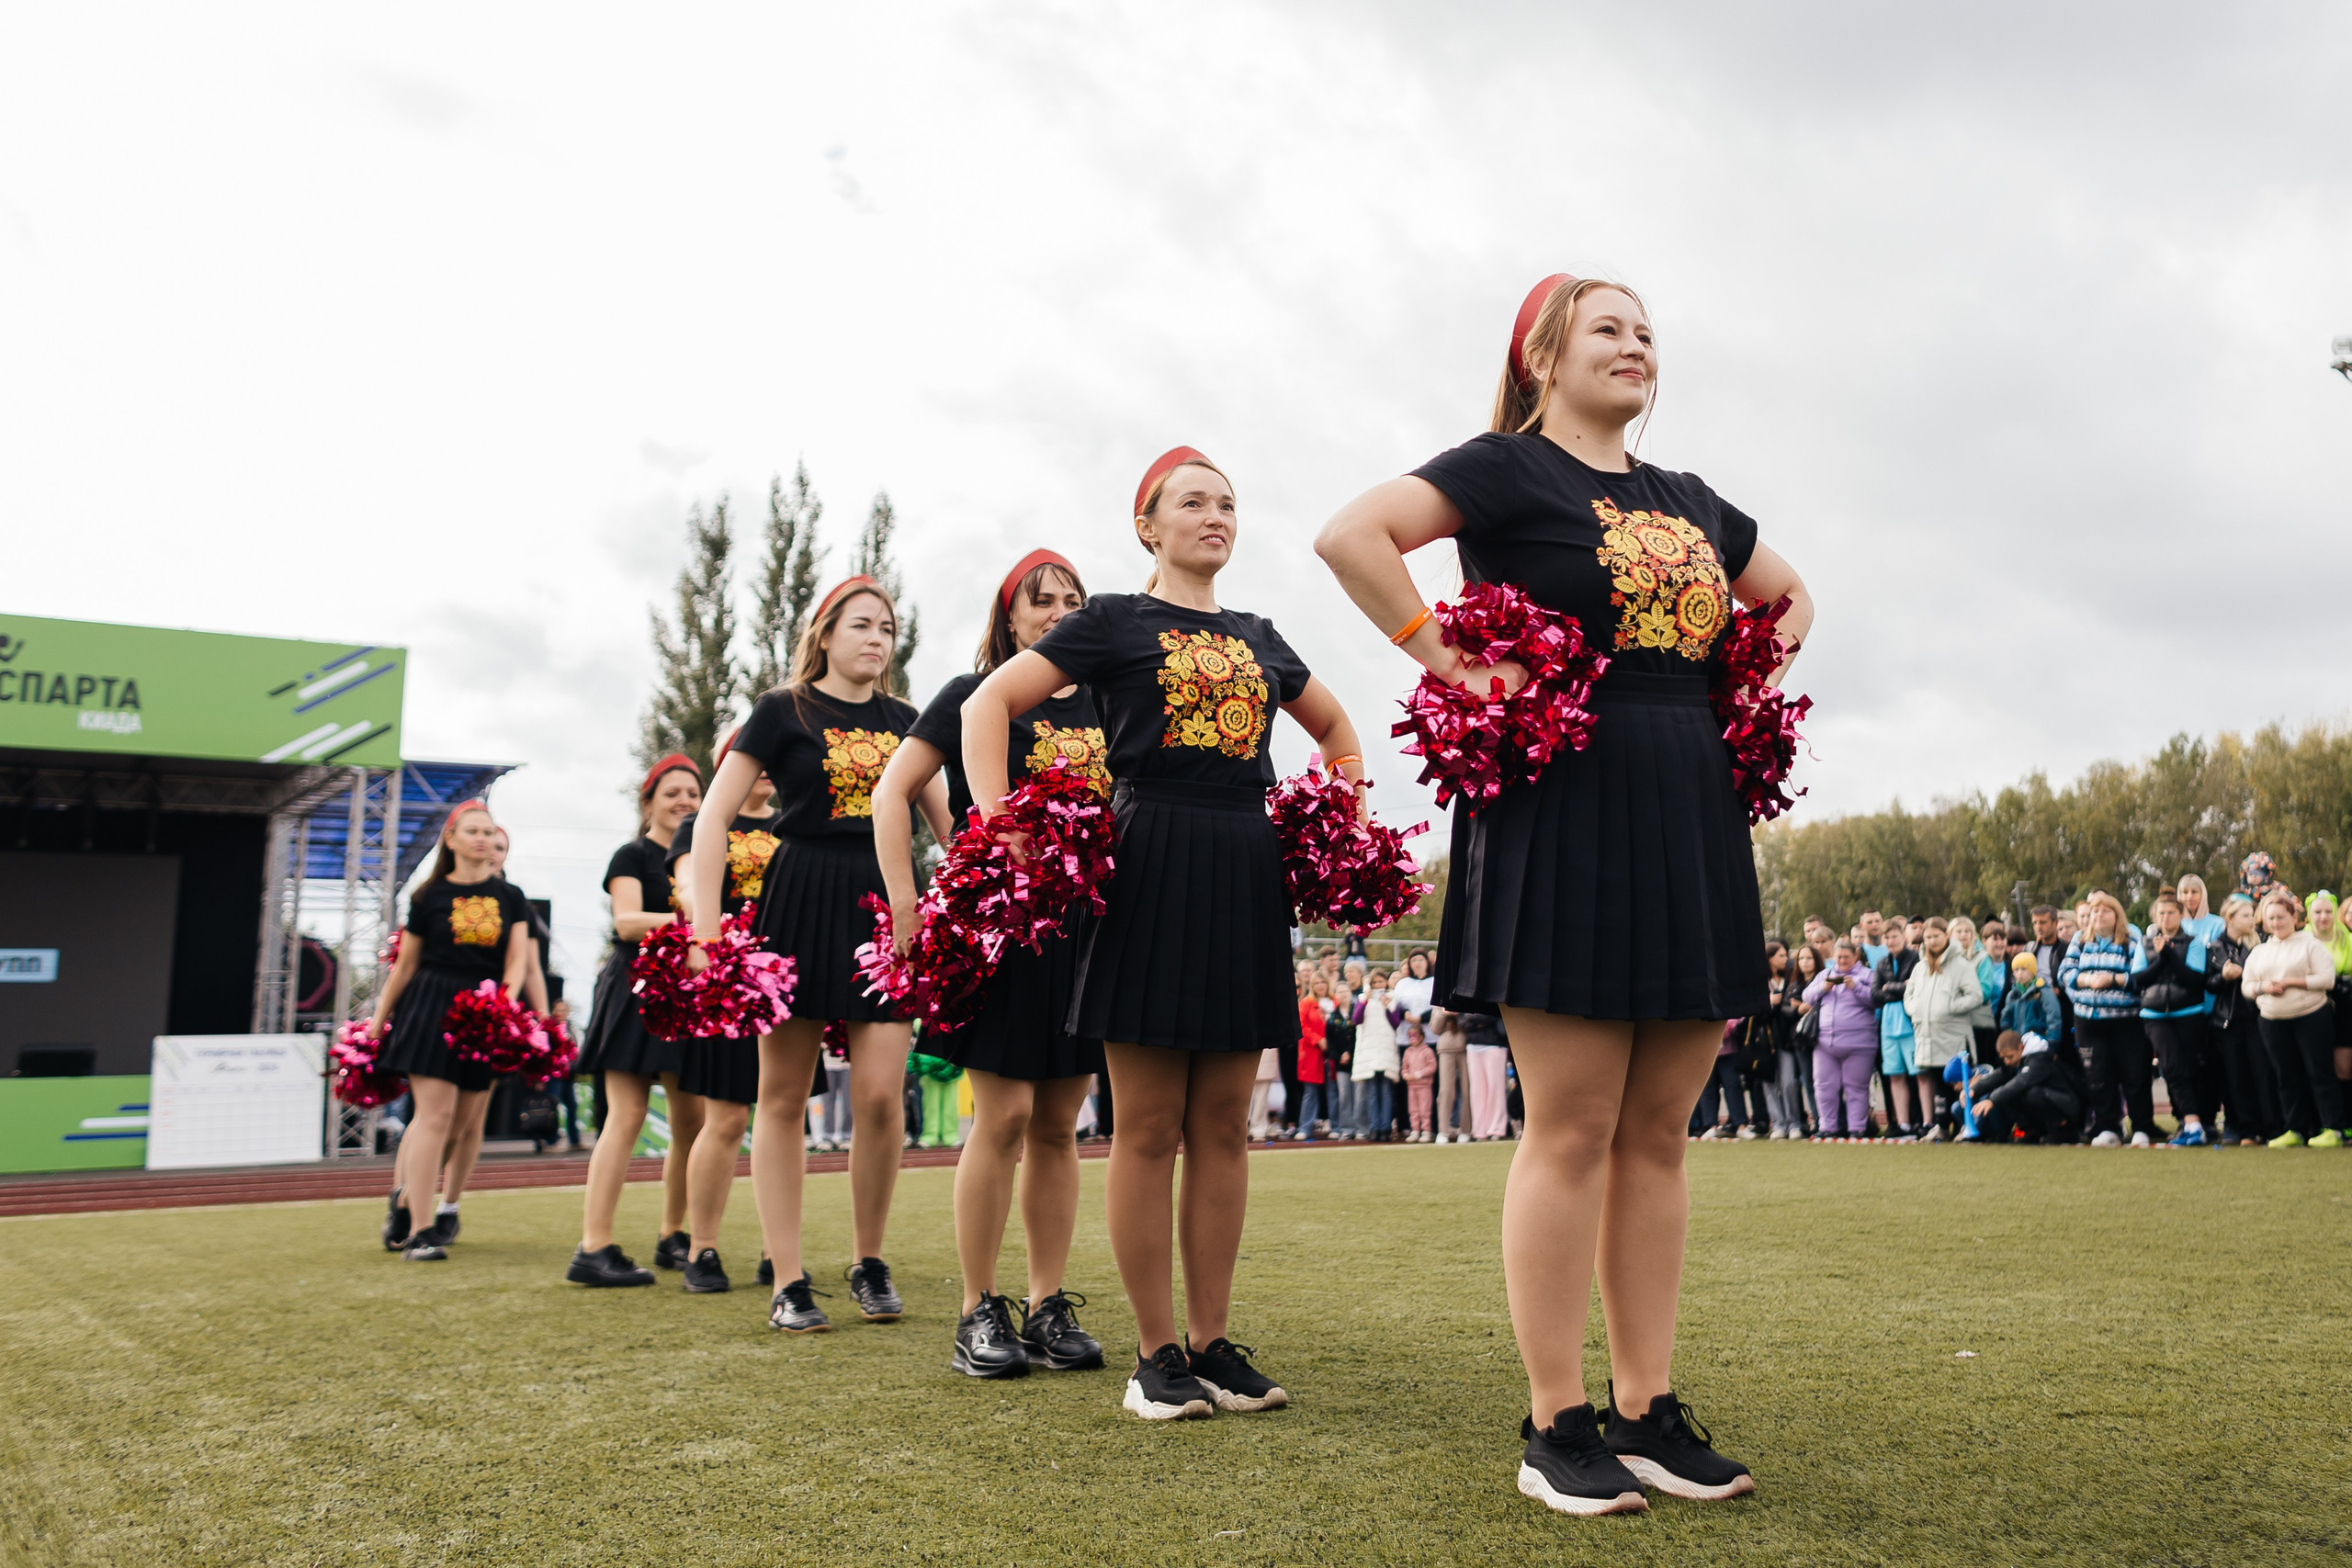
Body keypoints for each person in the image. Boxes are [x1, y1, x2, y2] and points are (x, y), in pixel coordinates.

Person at [1317, 275, 1805, 1511]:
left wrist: (1748, 680)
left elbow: (1790, 592)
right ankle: (1557, 1419)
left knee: (1658, 1131)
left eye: (1648, 332)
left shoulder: (1690, 500)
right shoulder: (1506, 469)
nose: (1637, 345)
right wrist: (1446, 657)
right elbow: (1351, 534)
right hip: (1562, 806)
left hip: (1689, 800)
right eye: (1610, 327)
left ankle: (1647, 1405)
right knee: (1573, 1123)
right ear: (1544, 353)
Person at [966, 446, 1368, 1422]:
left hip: (1242, 869)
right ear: (1148, 525)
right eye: (1193, 502)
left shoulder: (1261, 634)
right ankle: (1155, 1359)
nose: (1215, 516)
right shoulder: (1110, 619)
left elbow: (1337, 734)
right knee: (1146, 1128)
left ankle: (1210, 1342)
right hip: (1146, 863)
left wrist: (1339, 827)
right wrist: (999, 825)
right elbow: (988, 705)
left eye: (1228, 503)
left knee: (1225, 1125)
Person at [688, 576, 952, 1334]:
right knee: (781, 1095)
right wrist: (708, 931)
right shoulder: (782, 710)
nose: (877, 638)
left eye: (889, 628)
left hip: (884, 903)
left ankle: (870, 1260)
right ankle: (789, 1276)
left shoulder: (909, 718)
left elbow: (949, 822)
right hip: (798, 894)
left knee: (877, 1094)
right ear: (825, 633)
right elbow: (713, 815)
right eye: (862, 624)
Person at [873, 547, 1110, 1379]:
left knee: (1059, 1126)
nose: (1058, 611)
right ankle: (979, 1308)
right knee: (1002, 1119)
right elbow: (890, 789)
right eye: (1039, 601)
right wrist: (908, 900)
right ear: (1009, 618)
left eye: (1072, 599)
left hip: (1085, 932)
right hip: (1001, 932)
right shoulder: (975, 696)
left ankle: (1047, 1303)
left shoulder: (1110, 697)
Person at [369, 801, 536, 1260]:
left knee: (461, 1126)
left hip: (485, 1011)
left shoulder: (512, 896)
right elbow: (406, 965)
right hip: (430, 1007)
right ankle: (422, 1231)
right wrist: (379, 1019)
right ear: (452, 839)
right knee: (435, 1116)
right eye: (472, 831)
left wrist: (503, 1003)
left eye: (488, 831)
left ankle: (404, 1200)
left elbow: (517, 961)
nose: (482, 839)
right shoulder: (428, 896)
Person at [568, 756, 704, 1286]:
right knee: (624, 1117)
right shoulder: (632, 854)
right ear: (648, 802)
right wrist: (696, 919)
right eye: (671, 792)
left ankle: (673, 1234)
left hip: (687, 993)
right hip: (633, 988)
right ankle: (593, 1245)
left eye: (692, 793)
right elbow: (626, 923)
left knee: (691, 1123)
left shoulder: (698, 855)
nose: (683, 801)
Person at [665, 732, 787, 1292]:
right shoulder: (703, 825)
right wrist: (710, 939)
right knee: (727, 1119)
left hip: (783, 980)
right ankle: (703, 1247)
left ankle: (776, 1250)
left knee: (783, 1117)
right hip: (728, 975)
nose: (765, 767)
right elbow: (690, 885)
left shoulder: (792, 823)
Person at [2242, 890, 2346, 1146]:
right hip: (2272, 1021)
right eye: (2272, 918)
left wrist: (2291, 982)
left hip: (2312, 1017)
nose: (2277, 922)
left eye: (2281, 917)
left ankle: (2332, 1128)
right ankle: (2295, 1129)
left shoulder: (2310, 944)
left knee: (2320, 1072)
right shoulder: (2259, 951)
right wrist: (2263, 987)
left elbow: (2327, 979)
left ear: (2294, 916)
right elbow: (2247, 986)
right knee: (2285, 1076)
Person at [2061, 891, 2153, 1147]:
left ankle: (2142, 1127)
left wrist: (2113, 980)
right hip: (2088, 1020)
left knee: (2134, 1074)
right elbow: (2065, 972)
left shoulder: (2132, 939)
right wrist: (2087, 980)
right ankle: (2109, 1126)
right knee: (2099, 1077)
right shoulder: (2080, 939)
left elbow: (2141, 977)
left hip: (2127, 1020)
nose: (2099, 915)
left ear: (2117, 915)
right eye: (2095, 911)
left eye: (2105, 911)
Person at [2131, 891, 2212, 1147]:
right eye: (2161, 913)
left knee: (2190, 1067)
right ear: (2155, 917)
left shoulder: (2194, 942)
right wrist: (2163, 955)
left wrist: (2170, 954)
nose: (2166, 917)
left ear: (2180, 915)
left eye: (2171, 913)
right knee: (2172, 1065)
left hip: (2188, 1013)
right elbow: (2139, 979)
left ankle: (2191, 1123)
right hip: (2155, 1016)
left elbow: (2193, 979)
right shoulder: (2145, 943)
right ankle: (2192, 1123)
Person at [2205, 894, 2281, 1145]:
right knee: (2236, 1078)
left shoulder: (2259, 944)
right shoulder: (2214, 947)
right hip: (2228, 1022)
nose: (2252, 920)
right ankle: (2247, 1130)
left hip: (2258, 1017)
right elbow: (2209, 984)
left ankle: (2272, 1128)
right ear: (2230, 918)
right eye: (2246, 915)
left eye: (2252, 915)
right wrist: (2224, 977)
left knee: (2263, 1074)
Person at [1903, 918, 1979, 1142]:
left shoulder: (1961, 965)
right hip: (1928, 1036)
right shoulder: (1919, 967)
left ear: (1946, 936)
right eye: (1928, 937)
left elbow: (1975, 995)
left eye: (1936, 935)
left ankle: (1966, 1125)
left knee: (1958, 1084)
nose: (1932, 940)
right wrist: (1914, 1009)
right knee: (1938, 1086)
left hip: (1954, 1037)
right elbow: (1909, 994)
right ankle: (1942, 1127)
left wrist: (1949, 1007)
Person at [1804, 939, 1877, 1140]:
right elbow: (1806, 996)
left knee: (1856, 1087)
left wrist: (1856, 988)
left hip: (1860, 1043)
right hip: (1825, 1042)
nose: (1842, 961)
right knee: (1824, 1086)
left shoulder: (1867, 975)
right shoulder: (1826, 974)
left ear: (1856, 956)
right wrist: (1822, 988)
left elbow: (1876, 999)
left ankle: (1857, 1127)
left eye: (1846, 957)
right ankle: (1827, 1126)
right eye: (1839, 957)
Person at [1966, 1030, 2079, 1144]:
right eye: (2004, 1058)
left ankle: (2063, 1130)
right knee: (2010, 1093)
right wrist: (1973, 1090)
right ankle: (2031, 1130)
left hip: (2067, 1104)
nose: (2006, 1062)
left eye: (2009, 1057)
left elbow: (2021, 1082)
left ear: (2021, 1047)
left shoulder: (2040, 1057)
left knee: (2030, 1093)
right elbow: (2000, 1075)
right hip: (2052, 1099)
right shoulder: (2020, 1059)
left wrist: (1992, 1100)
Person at [1871, 921, 1921, 1138]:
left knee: (1917, 1074)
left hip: (1910, 1023)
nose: (1891, 941)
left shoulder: (1915, 959)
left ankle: (1921, 1121)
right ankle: (1903, 1124)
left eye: (1895, 936)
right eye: (1887, 938)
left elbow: (1915, 988)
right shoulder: (1882, 963)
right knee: (1895, 1075)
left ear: (1904, 936)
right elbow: (1875, 994)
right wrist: (1900, 988)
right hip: (1888, 1026)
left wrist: (1889, 987)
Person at [1353, 970, 1402, 1140]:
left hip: (1386, 1048)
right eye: (1375, 983)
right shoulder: (1362, 999)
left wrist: (1388, 1006)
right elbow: (1356, 1019)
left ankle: (1385, 1128)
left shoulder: (1393, 999)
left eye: (1381, 982)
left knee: (1387, 1091)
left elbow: (1396, 1023)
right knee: (1372, 1091)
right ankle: (1374, 1127)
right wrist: (1365, 1000)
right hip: (1370, 1049)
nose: (1378, 986)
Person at [1783, 943, 1824, 1135]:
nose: (1805, 962)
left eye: (1809, 958)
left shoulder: (1824, 980)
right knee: (1807, 1081)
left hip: (1822, 1038)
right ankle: (1816, 1120)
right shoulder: (1793, 986)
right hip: (1801, 1040)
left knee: (1824, 1081)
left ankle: (1830, 1121)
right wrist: (1796, 1010)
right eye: (1801, 959)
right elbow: (1784, 1011)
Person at [1462, 1010, 1512, 1141]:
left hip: (1494, 1045)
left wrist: (1474, 1020)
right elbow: (1463, 1021)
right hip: (1473, 1046)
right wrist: (1477, 1022)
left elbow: (1493, 1014)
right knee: (1477, 1091)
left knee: (1495, 1089)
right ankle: (1479, 1130)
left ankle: (1496, 1129)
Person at [1295, 976, 1330, 1140]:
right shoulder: (1306, 1003)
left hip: (1332, 1053)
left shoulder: (1334, 1002)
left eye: (1323, 982)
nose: (1320, 985)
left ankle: (1337, 1125)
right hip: (1311, 1052)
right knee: (1310, 1091)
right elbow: (1302, 1025)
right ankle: (1305, 1126)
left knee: (1334, 1092)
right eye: (1317, 982)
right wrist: (1318, 1039)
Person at [1400, 1020, 1438, 1141]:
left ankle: (1426, 1130)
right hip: (1412, 1086)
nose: (1413, 1039)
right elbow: (1404, 1067)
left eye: (1415, 1036)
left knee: (1424, 1109)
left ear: (1421, 1036)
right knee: (1413, 1110)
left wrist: (1419, 1074)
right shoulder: (1408, 1052)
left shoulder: (1427, 1051)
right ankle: (1415, 1130)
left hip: (1424, 1086)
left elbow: (1432, 1067)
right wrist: (1406, 1075)